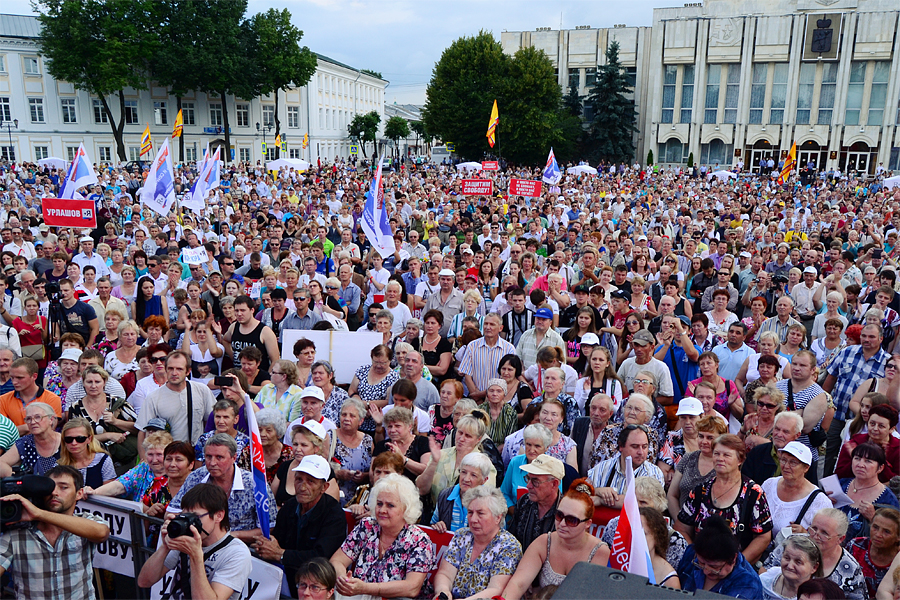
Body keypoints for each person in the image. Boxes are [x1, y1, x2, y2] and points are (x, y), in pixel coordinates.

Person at [0, 465, 111, 600]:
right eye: (50, 488)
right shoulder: (17, 531)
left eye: (63, 487)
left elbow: (101, 533)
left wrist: (39, 514)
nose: (55, 493)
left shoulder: (85, 521)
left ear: (79, 493)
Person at [137, 483, 253, 600]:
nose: (190, 523)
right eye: (185, 515)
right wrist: (165, 547)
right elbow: (144, 582)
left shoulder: (237, 553)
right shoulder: (185, 538)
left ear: (219, 515)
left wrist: (196, 556)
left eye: (195, 517)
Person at [330, 473, 436, 599]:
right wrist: (345, 582)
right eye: (379, 504)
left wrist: (365, 588)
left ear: (405, 509)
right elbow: (337, 561)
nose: (382, 510)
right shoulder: (367, 526)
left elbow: (412, 588)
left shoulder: (419, 540)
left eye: (390, 505)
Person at [256, 455, 348, 597]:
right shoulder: (290, 507)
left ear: (324, 487)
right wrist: (266, 546)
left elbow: (321, 556)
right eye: (299, 479)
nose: (302, 487)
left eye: (310, 481)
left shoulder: (334, 515)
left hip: (315, 586)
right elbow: (278, 541)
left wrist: (281, 554)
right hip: (286, 579)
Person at [676, 434, 774, 565]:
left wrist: (736, 564)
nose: (719, 459)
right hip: (700, 565)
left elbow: (763, 537)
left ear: (740, 460)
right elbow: (681, 528)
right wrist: (697, 557)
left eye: (726, 455)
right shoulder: (700, 491)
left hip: (737, 569)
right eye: (716, 454)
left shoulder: (754, 494)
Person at [167, 433, 277, 543]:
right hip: (198, 543)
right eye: (208, 457)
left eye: (219, 457)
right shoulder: (196, 477)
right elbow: (172, 512)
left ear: (234, 458)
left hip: (240, 548)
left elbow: (269, 527)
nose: (212, 463)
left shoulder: (255, 484)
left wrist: (232, 536)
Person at [432, 486, 522, 600]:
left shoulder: (509, 546)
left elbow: (496, 589)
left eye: (480, 513)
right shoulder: (461, 535)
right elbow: (445, 574)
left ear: (498, 518)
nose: (473, 519)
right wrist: (443, 592)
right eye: (470, 512)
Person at [823, 323, 889, 475]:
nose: (867, 339)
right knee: (830, 454)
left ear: (881, 339)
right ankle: (826, 489)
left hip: (862, 422)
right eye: (864, 336)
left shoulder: (887, 363)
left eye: (871, 337)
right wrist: (824, 404)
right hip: (837, 415)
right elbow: (831, 377)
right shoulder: (847, 352)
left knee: (855, 457)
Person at [763, 509, 868, 600]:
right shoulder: (793, 541)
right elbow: (765, 570)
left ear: (840, 539)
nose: (816, 535)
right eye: (814, 528)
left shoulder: (850, 568)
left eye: (824, 533)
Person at [134, 351, 216, 453]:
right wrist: (144, 461)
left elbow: (212, 421)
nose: (174, 373)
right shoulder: (153, 398)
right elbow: (142, 431)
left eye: (179, 369)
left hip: (195, 453)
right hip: (167, 455)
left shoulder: (201, 390)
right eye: (170, 368)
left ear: (188, 371)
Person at [67, 365, 138, 476]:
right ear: (83, 383)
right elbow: (74, 439)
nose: (93, 386)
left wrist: (115, 421)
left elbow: (138, 428)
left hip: (121, 463)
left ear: (104, 382)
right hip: (89, 463)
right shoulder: (76, 407)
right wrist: (108, 435)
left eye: (97, 382)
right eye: (89, 382)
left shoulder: (117, 403)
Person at [760, 440, 832, 544]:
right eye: (783, 460)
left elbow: (826, 540)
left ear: (806, 468)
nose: (786, 466)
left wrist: (806, 534)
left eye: (793, 462)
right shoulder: (769, 484)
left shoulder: (820, 501)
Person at [416, 414, 497, 504]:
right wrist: (434, 463)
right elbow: (421, 490)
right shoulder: (440, 455)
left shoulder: (485, 465)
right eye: (460, 432)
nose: (461, 439)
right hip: (437, 514)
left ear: (478, 439)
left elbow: (485, 501)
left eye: (468, 436)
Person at [677, 514, 764, 597]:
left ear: (733, 559)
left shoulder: (748, 584)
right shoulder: (691, 554)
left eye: (714, 567)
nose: (706, 571)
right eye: (701, 563)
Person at [589, 424, 665, 509]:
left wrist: (601, 500)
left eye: (644, 447)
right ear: (621, 446)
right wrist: (597, 491)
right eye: (635, 447)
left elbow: (645, 505)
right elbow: (583, 495)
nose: (641, 452)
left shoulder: (654, 473)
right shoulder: (601, 468)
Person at [774, 350, 828, 470]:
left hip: (801, 456)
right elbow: (766, 415)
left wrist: (780, 415)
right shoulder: (777, 386)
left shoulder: (818, 394)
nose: (797, 368)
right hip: (776, 451)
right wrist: (800, 412)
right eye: (794, 364)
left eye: (802, 365)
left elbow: (805, 427)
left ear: (813, 369)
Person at [838, 442, 900, 540]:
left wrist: (873, 518)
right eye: (857, 458)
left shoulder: (888, 499)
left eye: (868, 461)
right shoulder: (841, 484)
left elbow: (894, 535)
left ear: (880, 468)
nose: (860, 465)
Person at [509, 454, 564, 550]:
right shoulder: (524, 501)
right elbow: (511, 540)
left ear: (554, 484)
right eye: (528, 479)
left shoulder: (565, 512)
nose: (528, 486)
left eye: (535, 481)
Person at [430, 451, 492, 533]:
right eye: (463, 472)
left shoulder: (491, 503)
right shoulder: (445, 495)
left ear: (484, 480)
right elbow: (432, 525)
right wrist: (437, 526)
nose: (466, 479)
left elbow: (496, 536)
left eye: (473, 475)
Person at [836, 404, 900, 482]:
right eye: (872, 424)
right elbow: (839, 474)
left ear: (891, 429)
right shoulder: (854, 443)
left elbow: (896, 483)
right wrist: (855, 458)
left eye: (881, 426)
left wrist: (882, 461)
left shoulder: (897, 448)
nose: (875, 429)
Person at [846, 508, 900, 599]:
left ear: (898, 537)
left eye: (886, 531)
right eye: (875, 527)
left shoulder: (898, 559)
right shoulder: (855, 546)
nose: (878, 534)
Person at [57, 417, 117, 487]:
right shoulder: (59, 465)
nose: (74, 443)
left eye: (80, 439)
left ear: (89, 439)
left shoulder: (103, 460)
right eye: (68, 439)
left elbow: (109, 491)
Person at [760, 535, 824, 600]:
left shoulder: (816, 596)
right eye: (787, 558)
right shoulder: (768, 577)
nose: (790, 566)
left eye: (798, 562)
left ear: (814, 567)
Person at [572, 393, 615, 477]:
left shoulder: (614, 433)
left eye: (602, 410)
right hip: (579, 480)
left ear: (610, 414)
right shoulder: (579, 425)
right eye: (593, 408)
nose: (596, 413)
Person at [741, 383, 788, 450]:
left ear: (777, 407)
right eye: (760, 404)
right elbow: (736, 445)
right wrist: (743, 431)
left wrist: (762, 442)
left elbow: (783, 448)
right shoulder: (751, 418)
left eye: (769, 406)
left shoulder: (781, 424)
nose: (764, 408)